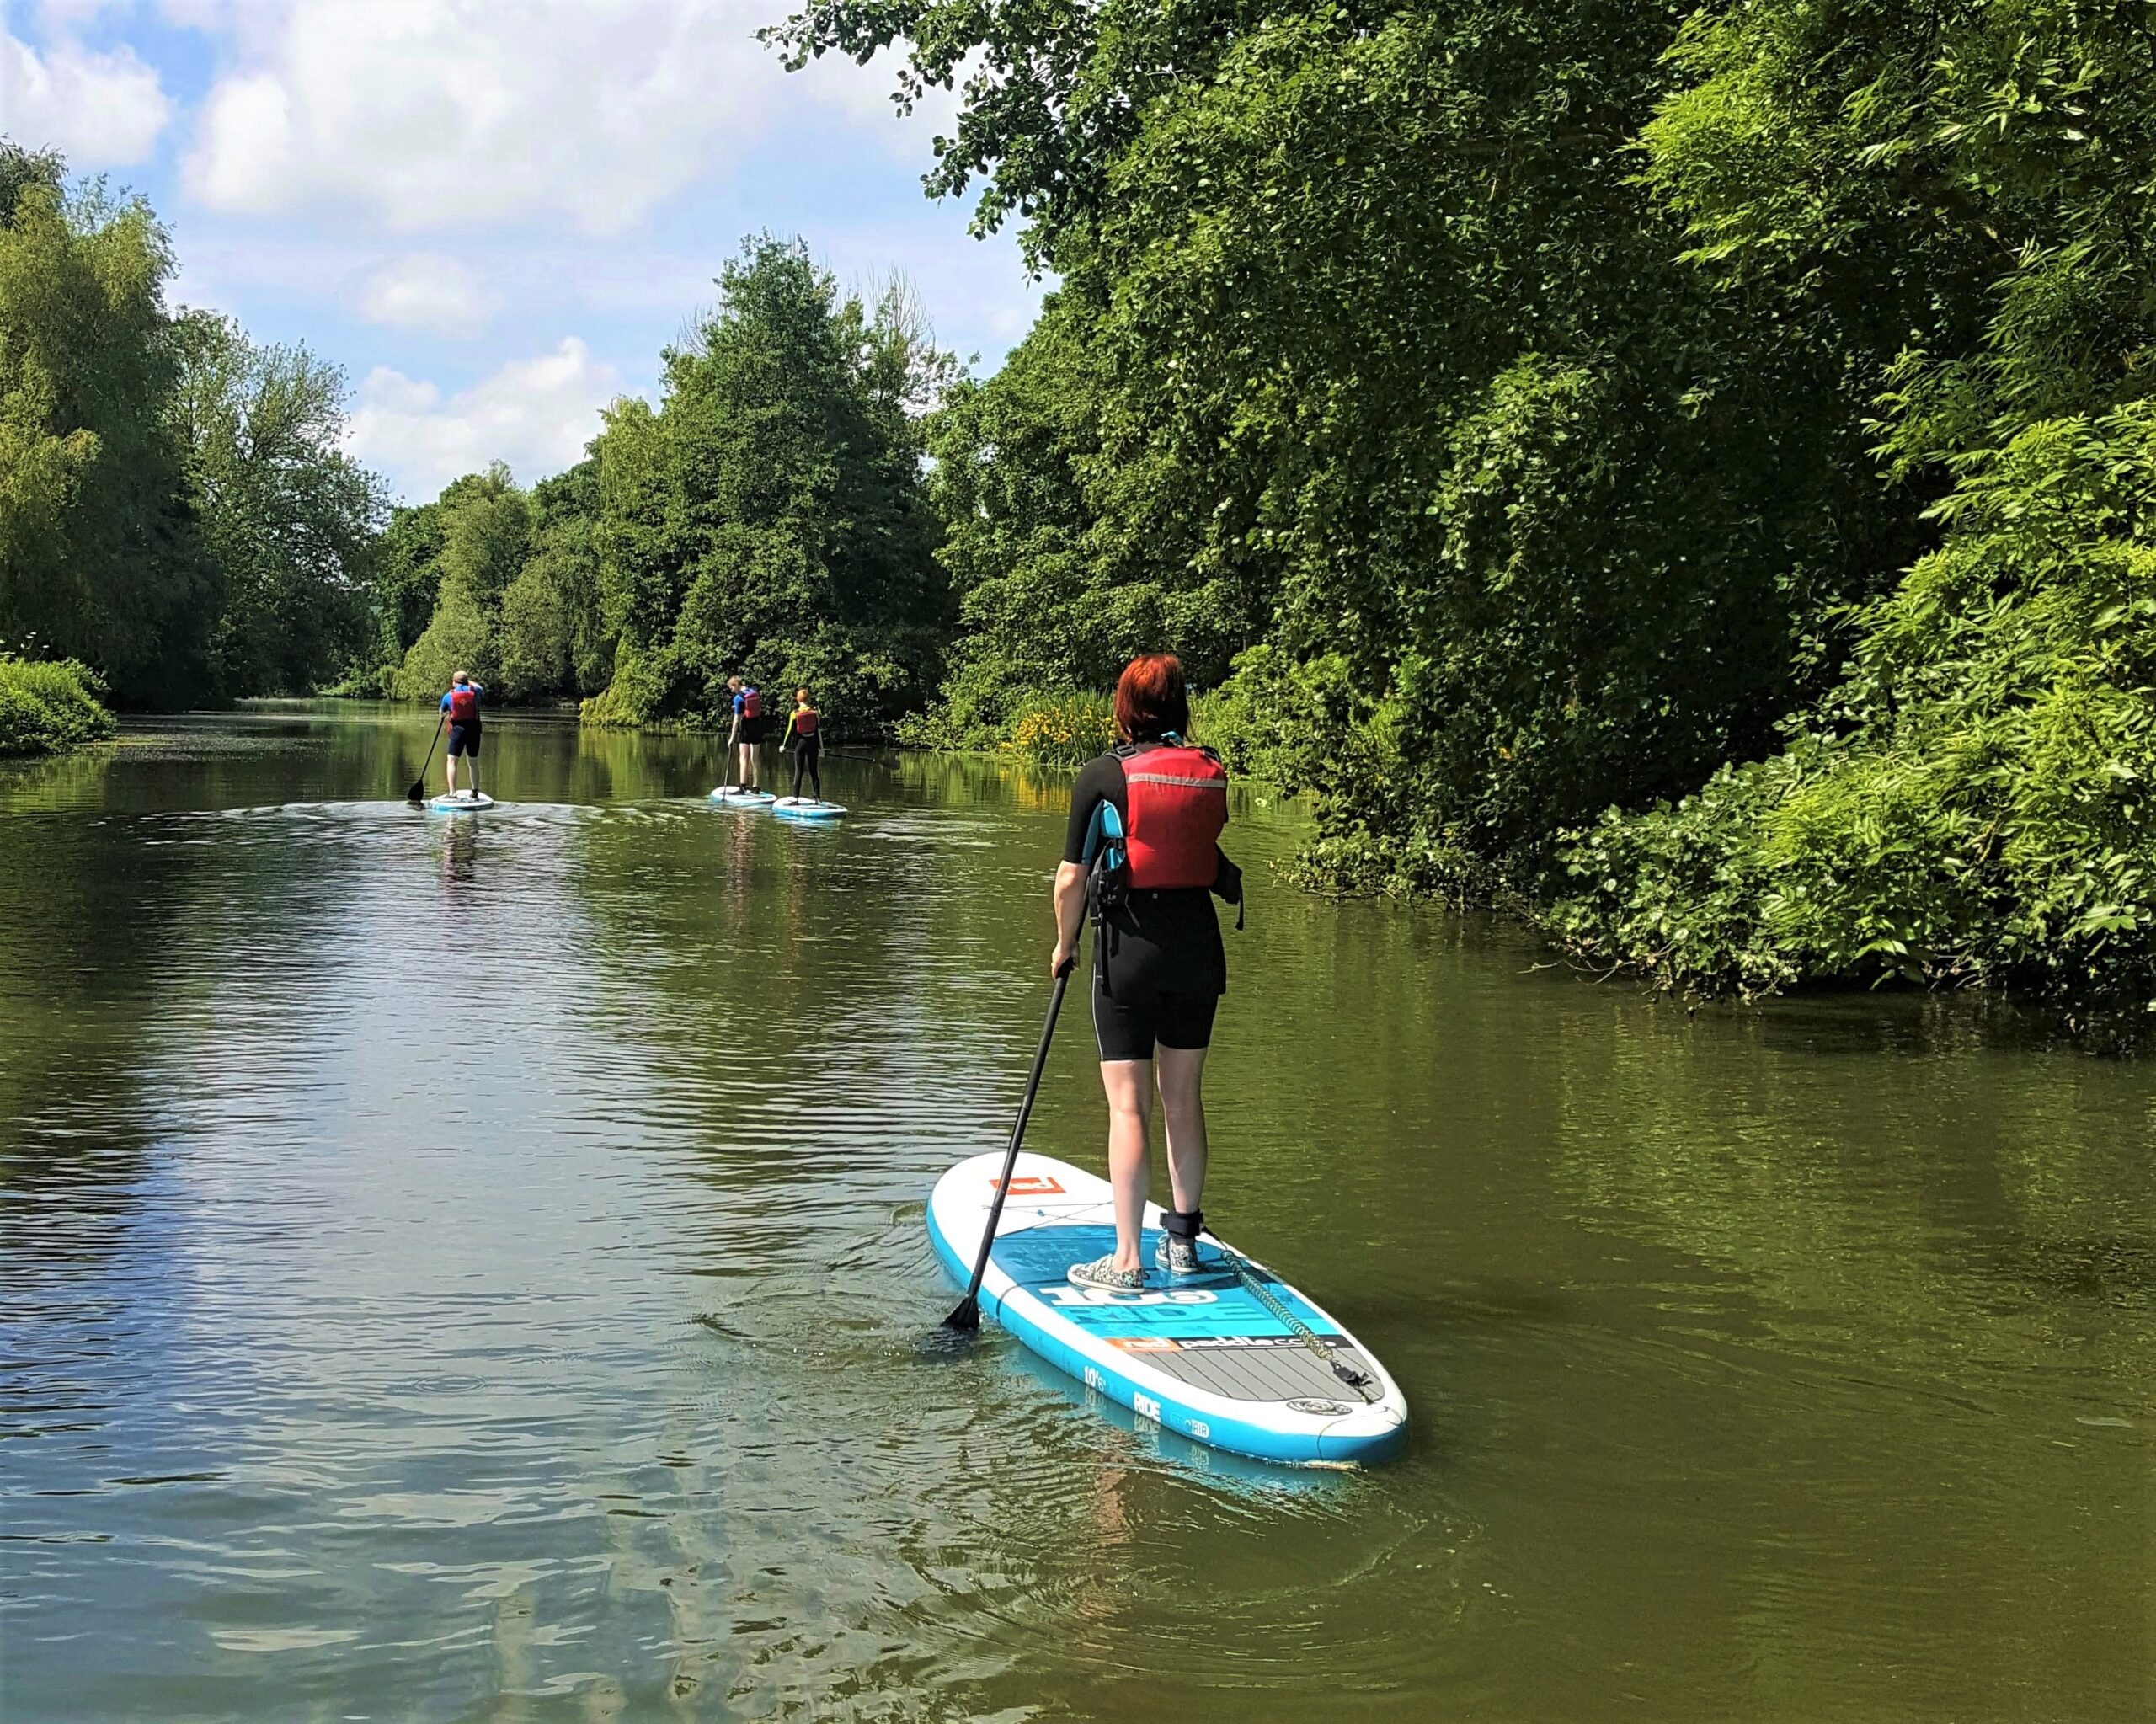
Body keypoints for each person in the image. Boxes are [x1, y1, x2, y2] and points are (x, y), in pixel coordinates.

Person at [1050, 653, 1236, 1292]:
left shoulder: (1101, 774)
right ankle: (1183, 1242)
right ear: (1181, 705)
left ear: (1124, 707)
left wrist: (1063, 944)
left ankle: (1128, 1260)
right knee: (1184, 1096)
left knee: (1128, 1104)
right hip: (1197, 949)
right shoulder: (1211, 771)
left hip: (1127, 951)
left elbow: (1072, 876)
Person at [440, 671, 485, 799]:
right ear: (467, 681)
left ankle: (453, 793)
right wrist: (468, 681)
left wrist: (447, 713)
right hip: (474, 729)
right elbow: (480, 687)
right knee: (473, 761)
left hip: (458, 730)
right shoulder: (475, 692)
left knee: (452, 761)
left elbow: (441, 712)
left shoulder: (449, 696)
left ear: (454, 681)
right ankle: (475, 792)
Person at [726, 675, 766, 791]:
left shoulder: (738, 698)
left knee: (743, 758)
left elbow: (736, 719)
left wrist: (732, 738)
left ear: (736, 685)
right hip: (757, 726)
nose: (732, 691)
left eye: (732, 688)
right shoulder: (754, 692)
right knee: (755, 758)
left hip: (747, 727)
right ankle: (756, 786)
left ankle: (742, 786)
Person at [782, 687, 821, 802]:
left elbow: (790, 731)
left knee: (799, 771)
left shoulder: (794, 714)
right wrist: (821, 748)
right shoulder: (815, 713)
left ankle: (796, 798)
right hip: (813, 744)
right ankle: (817, 797)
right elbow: (818, 731)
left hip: (801, 744)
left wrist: (784, 746)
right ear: (808, 699)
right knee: (814, 771)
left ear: (798, 700)